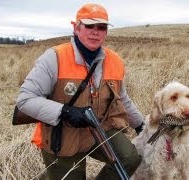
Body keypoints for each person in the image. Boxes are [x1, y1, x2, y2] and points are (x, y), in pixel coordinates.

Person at [16, 3, 145, 180]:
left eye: (101, 27)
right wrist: (65, 112)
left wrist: (141, 125)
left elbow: (122, 98)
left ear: (106, 32)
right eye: (89, 25)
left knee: (129, 159)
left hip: (98, 129)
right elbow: (25, 100)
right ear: (76, 27)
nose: (95, 31)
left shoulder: (115, 61)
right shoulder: (54, 57)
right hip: (61, 136)